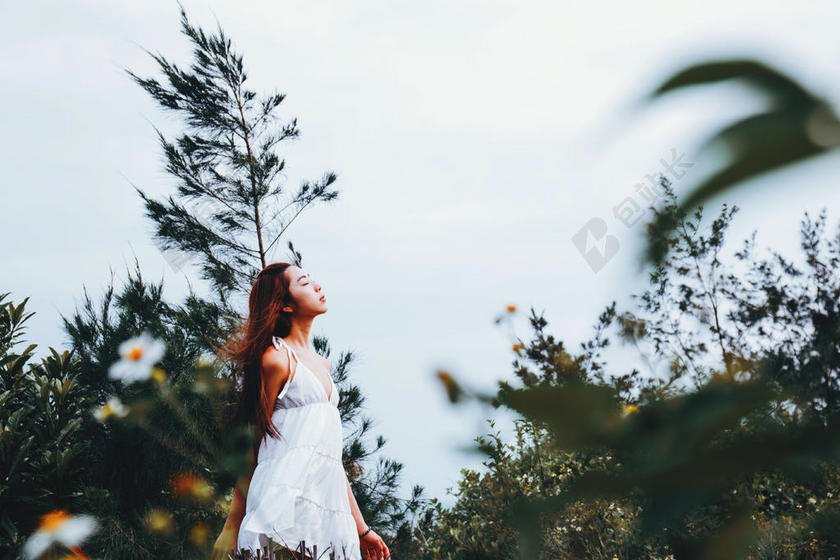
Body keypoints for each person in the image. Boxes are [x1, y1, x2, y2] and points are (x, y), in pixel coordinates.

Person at [212, 262, 391, 560]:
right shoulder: (276, 360)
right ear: (285, 305)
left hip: (325, 511)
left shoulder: (323, 365)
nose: (317, 286)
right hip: (282, 508)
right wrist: (232, 524)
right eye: (305, 283)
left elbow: (329, 459)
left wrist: (361, 528)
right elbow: (252, 445)